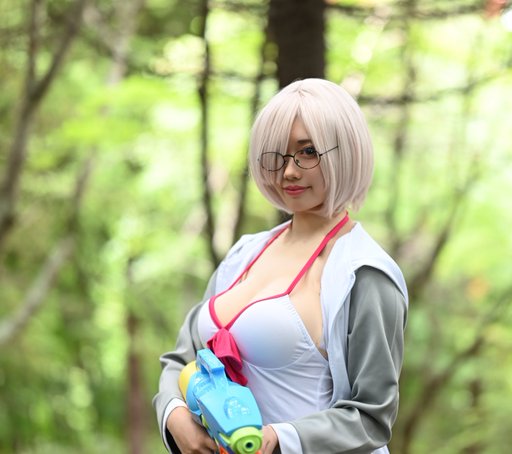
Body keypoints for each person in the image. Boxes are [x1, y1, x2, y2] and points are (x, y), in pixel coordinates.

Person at [153, 78, 408, 454]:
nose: (288, 171)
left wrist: (279, 439)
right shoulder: (244, 253)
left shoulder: (364, 273)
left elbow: (372, 416)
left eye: (307, 152)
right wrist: (174, 415)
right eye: (277, 155)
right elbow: (182, 358)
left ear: (346, 152)